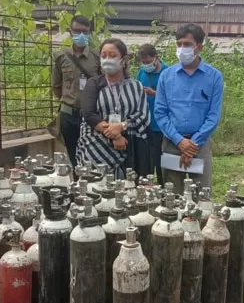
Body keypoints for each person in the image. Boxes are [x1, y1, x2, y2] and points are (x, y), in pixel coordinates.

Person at [154, 23, 224, 194]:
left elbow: (213, 115)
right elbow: (160, 113)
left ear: (199, 47)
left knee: (201, 195)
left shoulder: (214, 77)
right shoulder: (166, 76)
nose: (182, 48)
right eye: (179, 44)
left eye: (187, 44)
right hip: (172, 143)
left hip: (200, 145)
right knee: (172, 195)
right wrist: (180, 141)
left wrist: (192, 145)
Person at [77, 38, 150, 178]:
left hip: (129, 146)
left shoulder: (136, 86)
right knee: (96, 189)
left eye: (112, 55)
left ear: (124, 59)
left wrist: (122, 126)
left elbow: (143, 115)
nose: (107, 59)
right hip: (96, 147)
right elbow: (89, 114)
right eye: (103, 55)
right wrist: (116, 135)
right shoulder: (93, 84)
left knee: (126, 191)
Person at [52, 15, 100, 168]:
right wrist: (71, 100)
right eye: (77, 31)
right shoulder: (61, 57)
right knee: (72, 154)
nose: (81, 35)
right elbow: (56, 86)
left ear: (90, 33)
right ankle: (76, 185)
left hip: (90, 116)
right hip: (68, 115)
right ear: (70, 32)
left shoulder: (96, 57)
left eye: (85, 32)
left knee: (91, 154)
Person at [136, 43, 168, 183]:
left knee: (161, 160)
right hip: (145, 123)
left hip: (162, 125)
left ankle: (163, 186)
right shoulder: (142, 72)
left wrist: (154, 93)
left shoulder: (167, 72)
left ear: (156, 57)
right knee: (146, 160)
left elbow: (173, 97)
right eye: (143, 62)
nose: (146, 64)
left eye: (148, 61)